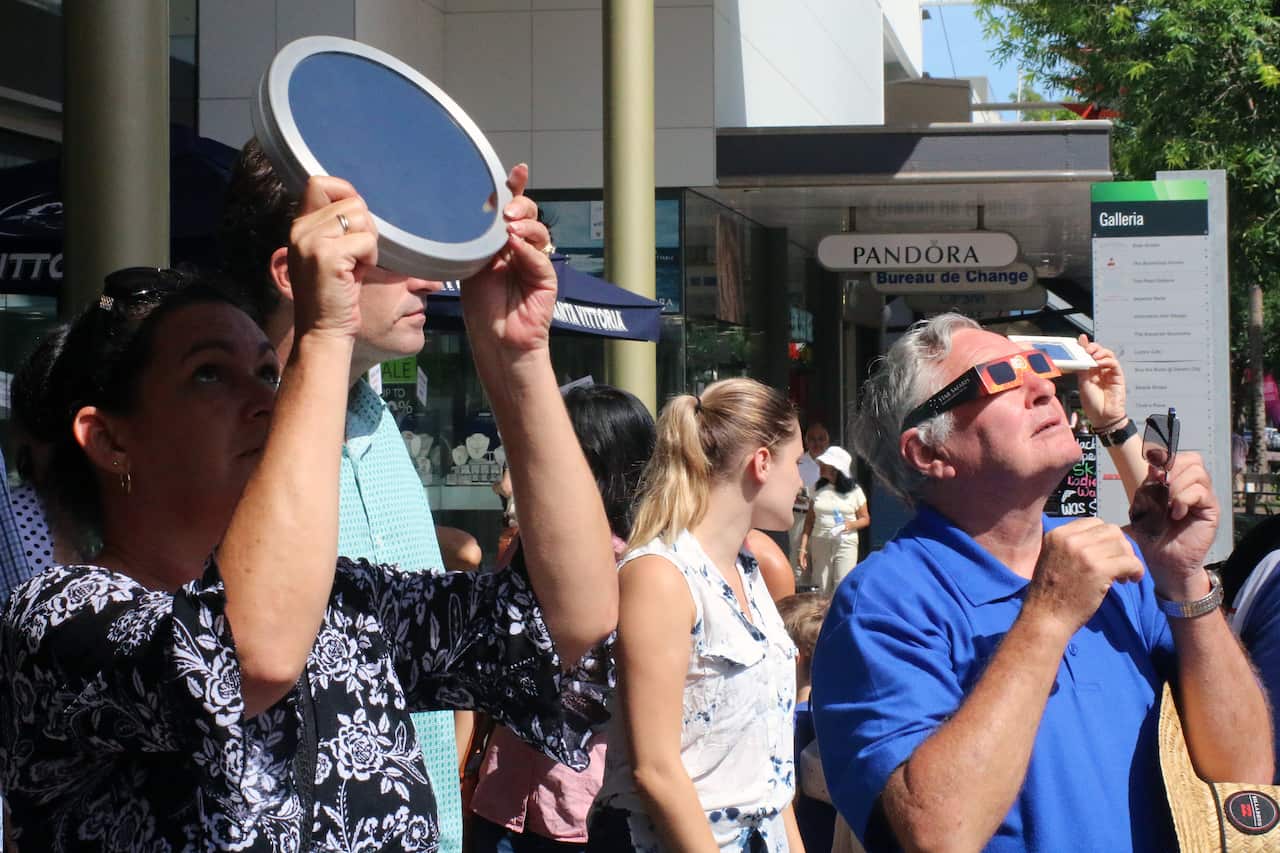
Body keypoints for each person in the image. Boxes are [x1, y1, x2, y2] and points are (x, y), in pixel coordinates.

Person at [0, 175, 618, 851]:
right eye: (209, 373)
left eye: (269, 373)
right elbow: (244, 656)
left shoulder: (342, 600)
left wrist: (517, 354)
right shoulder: (58, 621)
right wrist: (324, 334)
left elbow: (569, 620)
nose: (265, 400)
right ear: (110, 438)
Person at [811, 313, 1272, 852]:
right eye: (1000, 377)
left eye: (1036, 366)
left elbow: (1243, 769)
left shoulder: (1117, 563)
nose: (1042, 386)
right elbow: (939, 835)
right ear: (929, 452)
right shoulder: (884, 602)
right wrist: (1048, 617)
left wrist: (1186, 578)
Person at [219, 138, 477, 853]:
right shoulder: (232, 439)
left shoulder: (376, 413)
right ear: (295, 268)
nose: (427, 283)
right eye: (389, 253)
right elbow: (252, 659)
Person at [590, 378, 805, 853]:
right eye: (797, 461)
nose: (802, 480)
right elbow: (657, 770)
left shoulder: (749, 570)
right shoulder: (660, 575)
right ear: (762, 462)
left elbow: (769, 768)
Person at [470, 383, 656, 853]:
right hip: (504, 798)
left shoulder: (640, 568)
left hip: (579, 809)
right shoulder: (526, 547)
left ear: (601, 466)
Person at [797, 446, 868, 595]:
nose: (820, 466)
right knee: (820, 585)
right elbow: (809, 522)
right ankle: (821, 618)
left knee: (843, 584)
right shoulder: (816, 488)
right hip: (820, 541)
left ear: (835, 468)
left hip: (846, 543)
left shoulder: (855, 491)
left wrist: (850, 525)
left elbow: (865, 519)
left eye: (824, 464)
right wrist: (802, 548)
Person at [789, 422, 830, 579]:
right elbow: (786, 486)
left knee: (822, 564)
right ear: (806, 441)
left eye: (821, 439)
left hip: (824, 518)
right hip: (801, 516)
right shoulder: (797, 462)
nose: (817, 443)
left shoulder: (833, 464)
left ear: (827, 441)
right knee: (799, 564)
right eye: (812, 439)